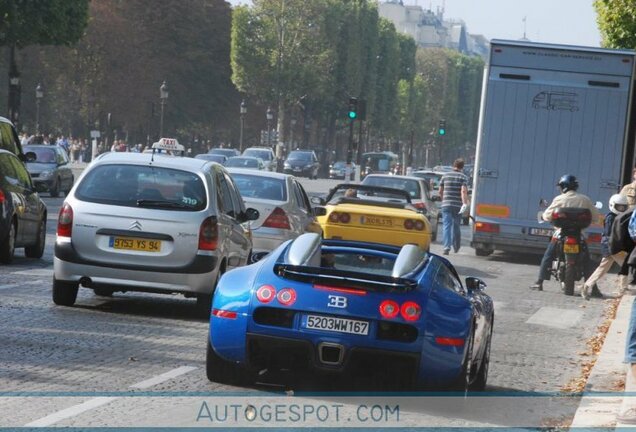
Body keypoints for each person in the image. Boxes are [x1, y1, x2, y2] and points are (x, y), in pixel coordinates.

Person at [529, 174, 601, 294]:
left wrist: (544, 216)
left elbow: (547, 215)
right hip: (579, 234)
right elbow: (596, 217)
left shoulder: (559, 199)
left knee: (548, 256)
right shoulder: (585, 199)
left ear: (564, 187)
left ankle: (539, 282)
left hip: (560, 234)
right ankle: (594, 289)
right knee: (587, 260)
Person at [579, 194, 629, 299]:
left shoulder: (620, 217)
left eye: (623, 207)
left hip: (613, 246)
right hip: (612, 246)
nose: (621, 209)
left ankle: (586, 286)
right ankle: (623, 289)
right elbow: (610, 233)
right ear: (612, 205)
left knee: (602, 269)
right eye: (619, 207)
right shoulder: (610, 217)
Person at [438, 158, 469, 255]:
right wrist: (464, 204)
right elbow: (463, 191)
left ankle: (446, 247)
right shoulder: (463, 177)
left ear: (453, 165)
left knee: (446, 226)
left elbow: (440, 191)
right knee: (456, 226)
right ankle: (456, 246)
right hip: (457, 205)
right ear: (462, 167)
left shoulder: (445, 176)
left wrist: (443, 200)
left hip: (446, 204)